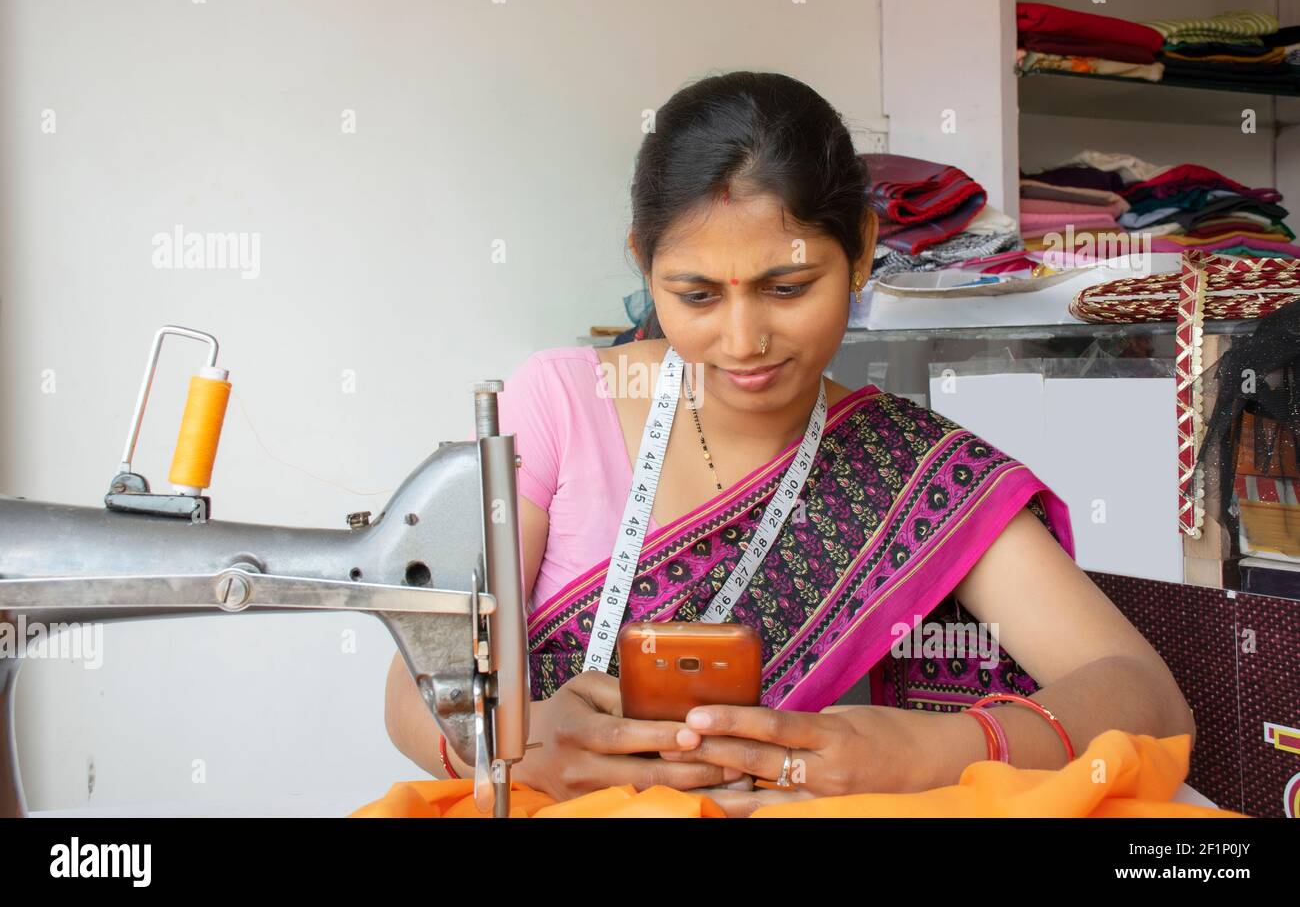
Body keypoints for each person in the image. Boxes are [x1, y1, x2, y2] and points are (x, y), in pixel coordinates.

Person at [385, 70, 1195, 817]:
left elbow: (1145, 698)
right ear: (644, 262)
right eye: (697, 294)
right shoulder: (560, 405)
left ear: (863, 252)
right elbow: (413, 692)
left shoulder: (909, 468)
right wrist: (513, 745)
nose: (744, 340)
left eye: (788, 288)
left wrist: (931, 750)